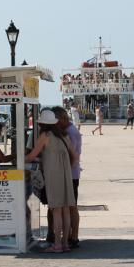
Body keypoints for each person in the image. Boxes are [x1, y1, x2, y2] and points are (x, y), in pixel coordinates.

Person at [25, 110, 77, 253]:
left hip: (53, 175)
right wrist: (66, 166)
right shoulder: (64, 136)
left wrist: (19, 160)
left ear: (42, 123)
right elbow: (75, 156)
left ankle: (57, 245)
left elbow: (32, 156)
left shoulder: (45, 136)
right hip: (66, 174)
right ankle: (65, 244)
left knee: (56, 210)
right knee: (66, 209)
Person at [48, 106, 82, 248]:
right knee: (67, 207)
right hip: (70, 173)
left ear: (61, 119)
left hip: (70, 174)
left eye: (55, 120)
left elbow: (72, 156)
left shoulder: (70, 133)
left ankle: (72, 237)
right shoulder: (68, 131)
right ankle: (65, 237)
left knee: (71, 207)